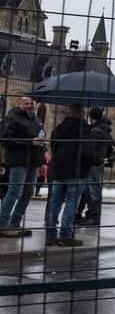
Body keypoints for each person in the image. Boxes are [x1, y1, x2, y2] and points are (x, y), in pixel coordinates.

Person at [46, 104, 105, 246]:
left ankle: (51, 234)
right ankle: (66, 235)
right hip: (76, 173)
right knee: (71, 204)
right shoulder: (84, 130)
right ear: (83, 114)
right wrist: (99, 159)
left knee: (55, 203)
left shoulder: (58, 129)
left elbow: (53, 147)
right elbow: (87, 153)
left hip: (58, 171)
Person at [0, 96, 45, 238]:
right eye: (26, 103)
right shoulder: (12, 117)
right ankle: (2, 225)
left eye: (31, 103)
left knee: (28, 193)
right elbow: (6, 140)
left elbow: (39, 140)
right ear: (19, 104)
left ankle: (15, 223)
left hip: (33, 161)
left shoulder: (36, 119)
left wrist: (42, 161)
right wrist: (29, 142)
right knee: (14, 191)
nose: (29, 105)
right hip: (18, 161)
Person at [76, 106, 115, 225]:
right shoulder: (104, 128)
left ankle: (93, 216)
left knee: (93, 189)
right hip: (99, 162)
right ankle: (90, 215)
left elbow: (90, 149)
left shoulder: (96, 130)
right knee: (91, 189)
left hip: (94, 163)